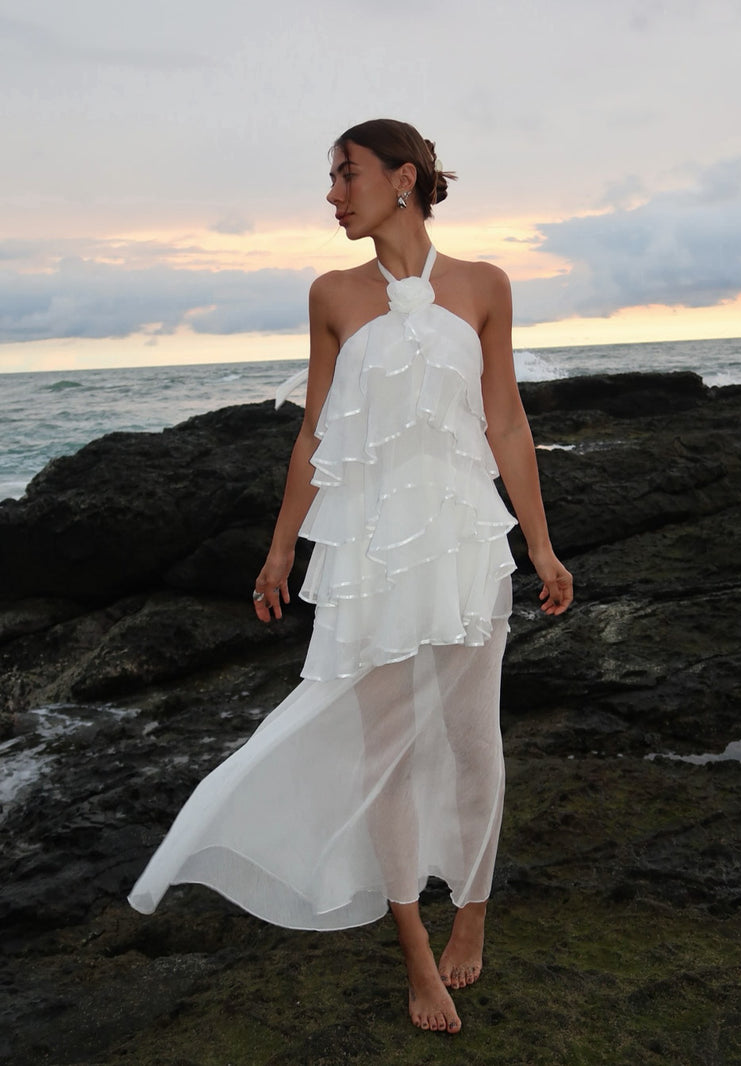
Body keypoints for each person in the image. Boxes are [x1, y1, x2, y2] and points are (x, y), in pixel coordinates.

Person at [128, 118, 573, 1035]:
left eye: (346, 175)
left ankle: (475, 907)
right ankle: (416, 953)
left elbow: (508, 424)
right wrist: (282, 546)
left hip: (461, 541)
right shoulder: (331, 293)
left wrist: (540, 544)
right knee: (388, 754)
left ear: (402, 178)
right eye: (331, 180)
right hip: (368, 551)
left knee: (472, 739)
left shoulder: (486, 285)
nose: (333, 195)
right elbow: (314, 435)